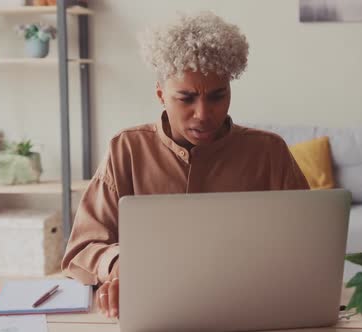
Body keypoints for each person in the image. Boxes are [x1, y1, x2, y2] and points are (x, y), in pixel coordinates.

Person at [61, 11, 310, 319]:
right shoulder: (126, 149)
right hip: (154, 313)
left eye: (218, 96)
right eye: (186, 98)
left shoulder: (269, 151)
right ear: (161, 94)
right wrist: (117, 263)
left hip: (250, 310)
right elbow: (81, 250)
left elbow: (307, 244)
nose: (203, 114)